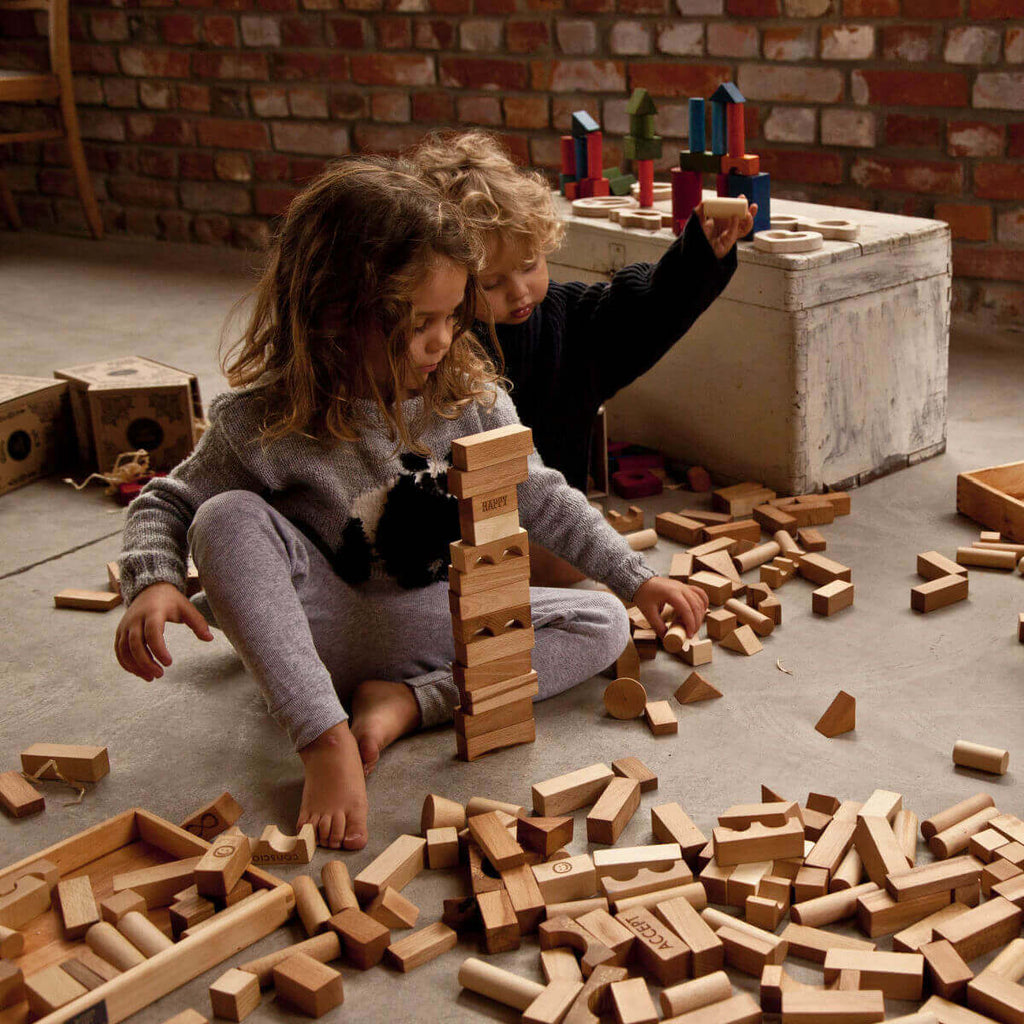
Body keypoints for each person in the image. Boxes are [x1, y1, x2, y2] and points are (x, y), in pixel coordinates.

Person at [113, 157, 709, 851]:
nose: (441, 340)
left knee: (601, 622)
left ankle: (406, 703)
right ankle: (323, 736)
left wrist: (636, 578)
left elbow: (540, 494)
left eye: (453, 317)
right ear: (337, 313)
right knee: (224, 519)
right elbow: (167, 502)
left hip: (431, 622)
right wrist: (152, 582)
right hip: (320, 627)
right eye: (420, 321)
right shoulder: (262, 419)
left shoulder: (472, 397)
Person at [406, 130, 755, 584]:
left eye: (530, 264)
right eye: (491, 284)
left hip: (551, 527)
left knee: (573, 567)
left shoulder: (569, 322)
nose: (518, 292)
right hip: (455, 540)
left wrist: (699, 258)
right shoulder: (436, 346)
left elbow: (642, 314)